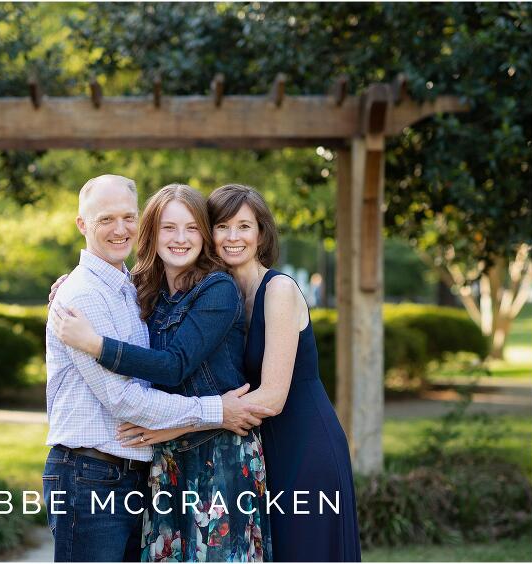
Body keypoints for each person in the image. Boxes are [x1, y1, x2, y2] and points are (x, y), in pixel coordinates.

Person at [44, 175, 273, 562]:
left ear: (203, 235)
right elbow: (124, 395)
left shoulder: (214, 290)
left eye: (191, 228)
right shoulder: (137, 289)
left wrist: (98, 345)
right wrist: (69, 284)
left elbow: (172, 367)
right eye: (168, 227)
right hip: (149, 463)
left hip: (213, 456)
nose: (180, 238)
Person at [206, 184, 362, 562]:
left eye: (243, 226)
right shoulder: (221, 293)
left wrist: (182, 421)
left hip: (305, 445)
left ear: (261, 233)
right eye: (222, 226)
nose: (232, 237)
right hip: (262, 452)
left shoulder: (278, 290)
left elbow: (273, 398)